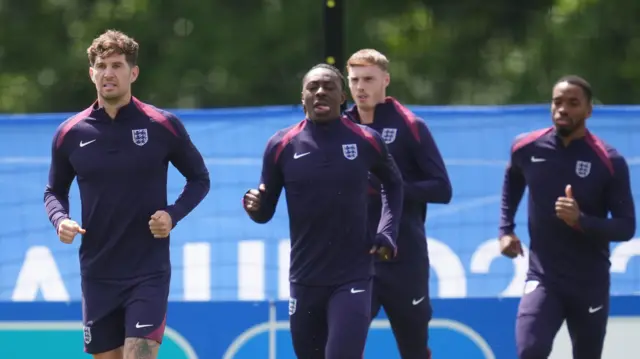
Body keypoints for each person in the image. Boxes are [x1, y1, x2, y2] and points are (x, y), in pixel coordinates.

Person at [43, 30, 210, 359]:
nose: (108, 73)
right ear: (92, 73)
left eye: (117, 65)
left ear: (133, 72)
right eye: (101, 66)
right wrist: (60, 219)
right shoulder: (69, 134)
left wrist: (172, 215)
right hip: (98, 272)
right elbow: (54, 190)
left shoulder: (163, 125)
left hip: (148, 271)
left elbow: (199, 178)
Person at [242, 63, 404, 358]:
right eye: (312, 87)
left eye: (329, 87)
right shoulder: (281, 145)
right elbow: (265, 210)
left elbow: (394, 184)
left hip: (353, 275)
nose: (320, 92)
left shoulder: (366, 140)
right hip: (305, 278)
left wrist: (387, 232)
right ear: (302, 96)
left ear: (343, 97)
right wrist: (254, 206)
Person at [499, 75, 635, 359]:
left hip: (590, 282)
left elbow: (626, 227)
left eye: (573, 103)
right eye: (557, 102)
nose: (563, 109)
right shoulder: (527, 148)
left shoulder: (609, 160)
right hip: (544, 277)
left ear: (588, 111)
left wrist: (580, 221)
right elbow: (512, 179)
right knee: (530, 350)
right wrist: (506, 230)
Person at [344, 49, 452, 358]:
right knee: (342, 346)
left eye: (368, 79)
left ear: (385, 80)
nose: (360, 87)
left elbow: (442, 188)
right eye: (354, 80)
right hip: (355, 260)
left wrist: (394, 188)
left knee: (413, 349)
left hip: (404, 259)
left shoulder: (410, 125)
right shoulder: (340, 127)